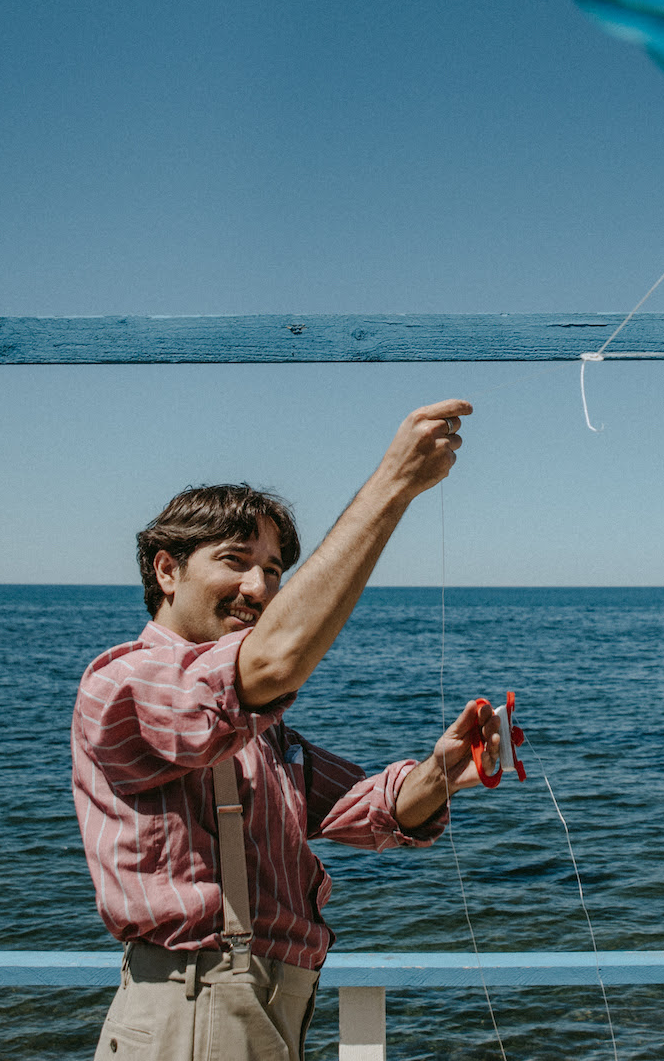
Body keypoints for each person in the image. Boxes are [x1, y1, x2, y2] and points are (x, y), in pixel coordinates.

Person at [72, 399, 495, 1061]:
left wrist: (442, 771)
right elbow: (272, 659)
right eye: (236, 560)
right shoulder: (125, 684)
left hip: (267, 1011)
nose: (259, 587)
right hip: (195, 1008)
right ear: (165, 568)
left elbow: (369, 809)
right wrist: (393, 484)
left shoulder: (261, 733)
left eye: (273, 569)